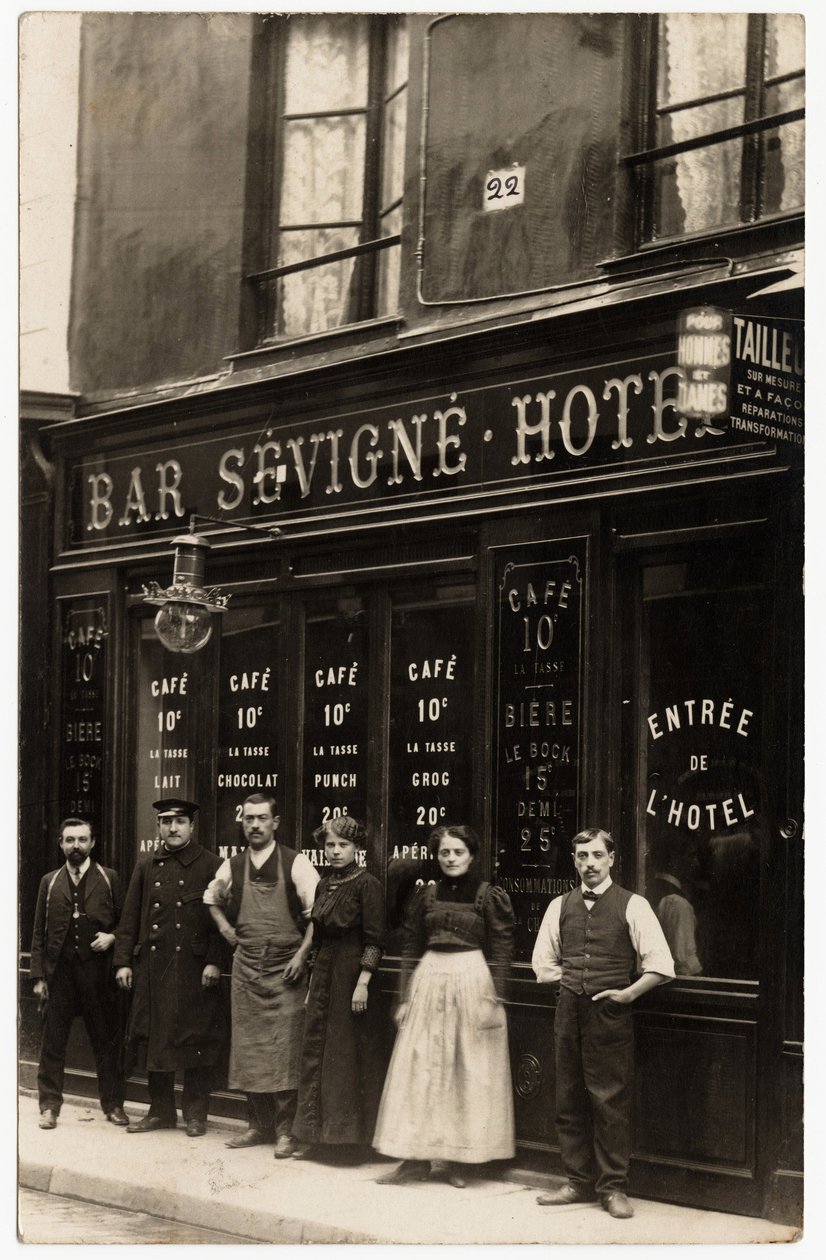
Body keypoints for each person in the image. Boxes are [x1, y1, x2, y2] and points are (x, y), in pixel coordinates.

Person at [531, 827, 675, 1219]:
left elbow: (662, 965)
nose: (589, 864)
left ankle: (612, 1188)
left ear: (612, 858)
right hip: (568, 1012)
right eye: (582, 856)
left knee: (610, 1101)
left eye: (597, 855)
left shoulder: (634, 905)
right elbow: (542, 964)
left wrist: (627, 994)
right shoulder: (560, 905)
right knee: (569, 1097)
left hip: (610, 1015)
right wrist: (572, 981)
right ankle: (576, 1181)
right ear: (574, 861)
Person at [373, 824, 515, 1189]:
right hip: (429, 980)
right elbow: (409, 948)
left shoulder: (488, 895)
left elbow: (501, 951)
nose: (451, 859)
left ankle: (454, 1161)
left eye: (458, 852)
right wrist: (403, 998)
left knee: (462, 1070)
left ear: (472, 855)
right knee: (420, 1069)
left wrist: (495, 999)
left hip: (471, 980)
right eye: (444, 853)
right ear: (436, 857)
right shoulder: (427, 895)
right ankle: (414, 1160)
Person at [204, 792, 319, 1158]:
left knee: (285, 1049)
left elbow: (317, 915)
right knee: (250, 1050)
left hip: (286, 969)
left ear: (275, 823)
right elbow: (210, 898)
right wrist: (225, 929)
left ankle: (287, 1132)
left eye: (262, 818)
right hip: (247, 968)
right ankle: (257, 1125)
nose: (254, 825)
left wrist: (302, 955)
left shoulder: (297, 863)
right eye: (249, 819)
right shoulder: (232, 866)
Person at [113, 798, 227, 1137]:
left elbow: (222, 920)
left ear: (192, 826)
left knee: (196, 1042)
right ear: (159, 827)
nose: (172, 828)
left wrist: (215, 962)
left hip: (194, 970)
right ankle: (161, 1110)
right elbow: (129, 917)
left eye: (179, 822)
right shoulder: (147, 866)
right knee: (155, 1041)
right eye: (165, 822)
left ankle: (195, 1113)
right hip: (154, 968)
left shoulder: (212, 865)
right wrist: (122, 961)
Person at [293, 815, 386, 1161]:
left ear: (357, 849)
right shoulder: (323, 885)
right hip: (324, 976)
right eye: (330, 845)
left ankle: (347, 1144)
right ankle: (316, 1139)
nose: (335, 851)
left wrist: (363, 982)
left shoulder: (368, 885)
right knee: (316, 1052)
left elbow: (376, 940)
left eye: (343, 845)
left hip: (351, 975)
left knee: (344, 1057)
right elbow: (317, 939)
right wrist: (311, 982)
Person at [30, 817, 128, 1130]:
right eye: (70, 840)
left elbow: (126, 923)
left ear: (92, 843)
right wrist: (39, 977)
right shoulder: (50, 881)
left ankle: (113, 1105)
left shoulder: (108, 877)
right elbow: (38, 934)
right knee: (53, 1043)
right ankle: (49, 1107)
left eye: (82, 840)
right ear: (61, 843)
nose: (76, 846)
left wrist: (111, 938)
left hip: (97, 975)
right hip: (60, 975)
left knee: (105, 1042)